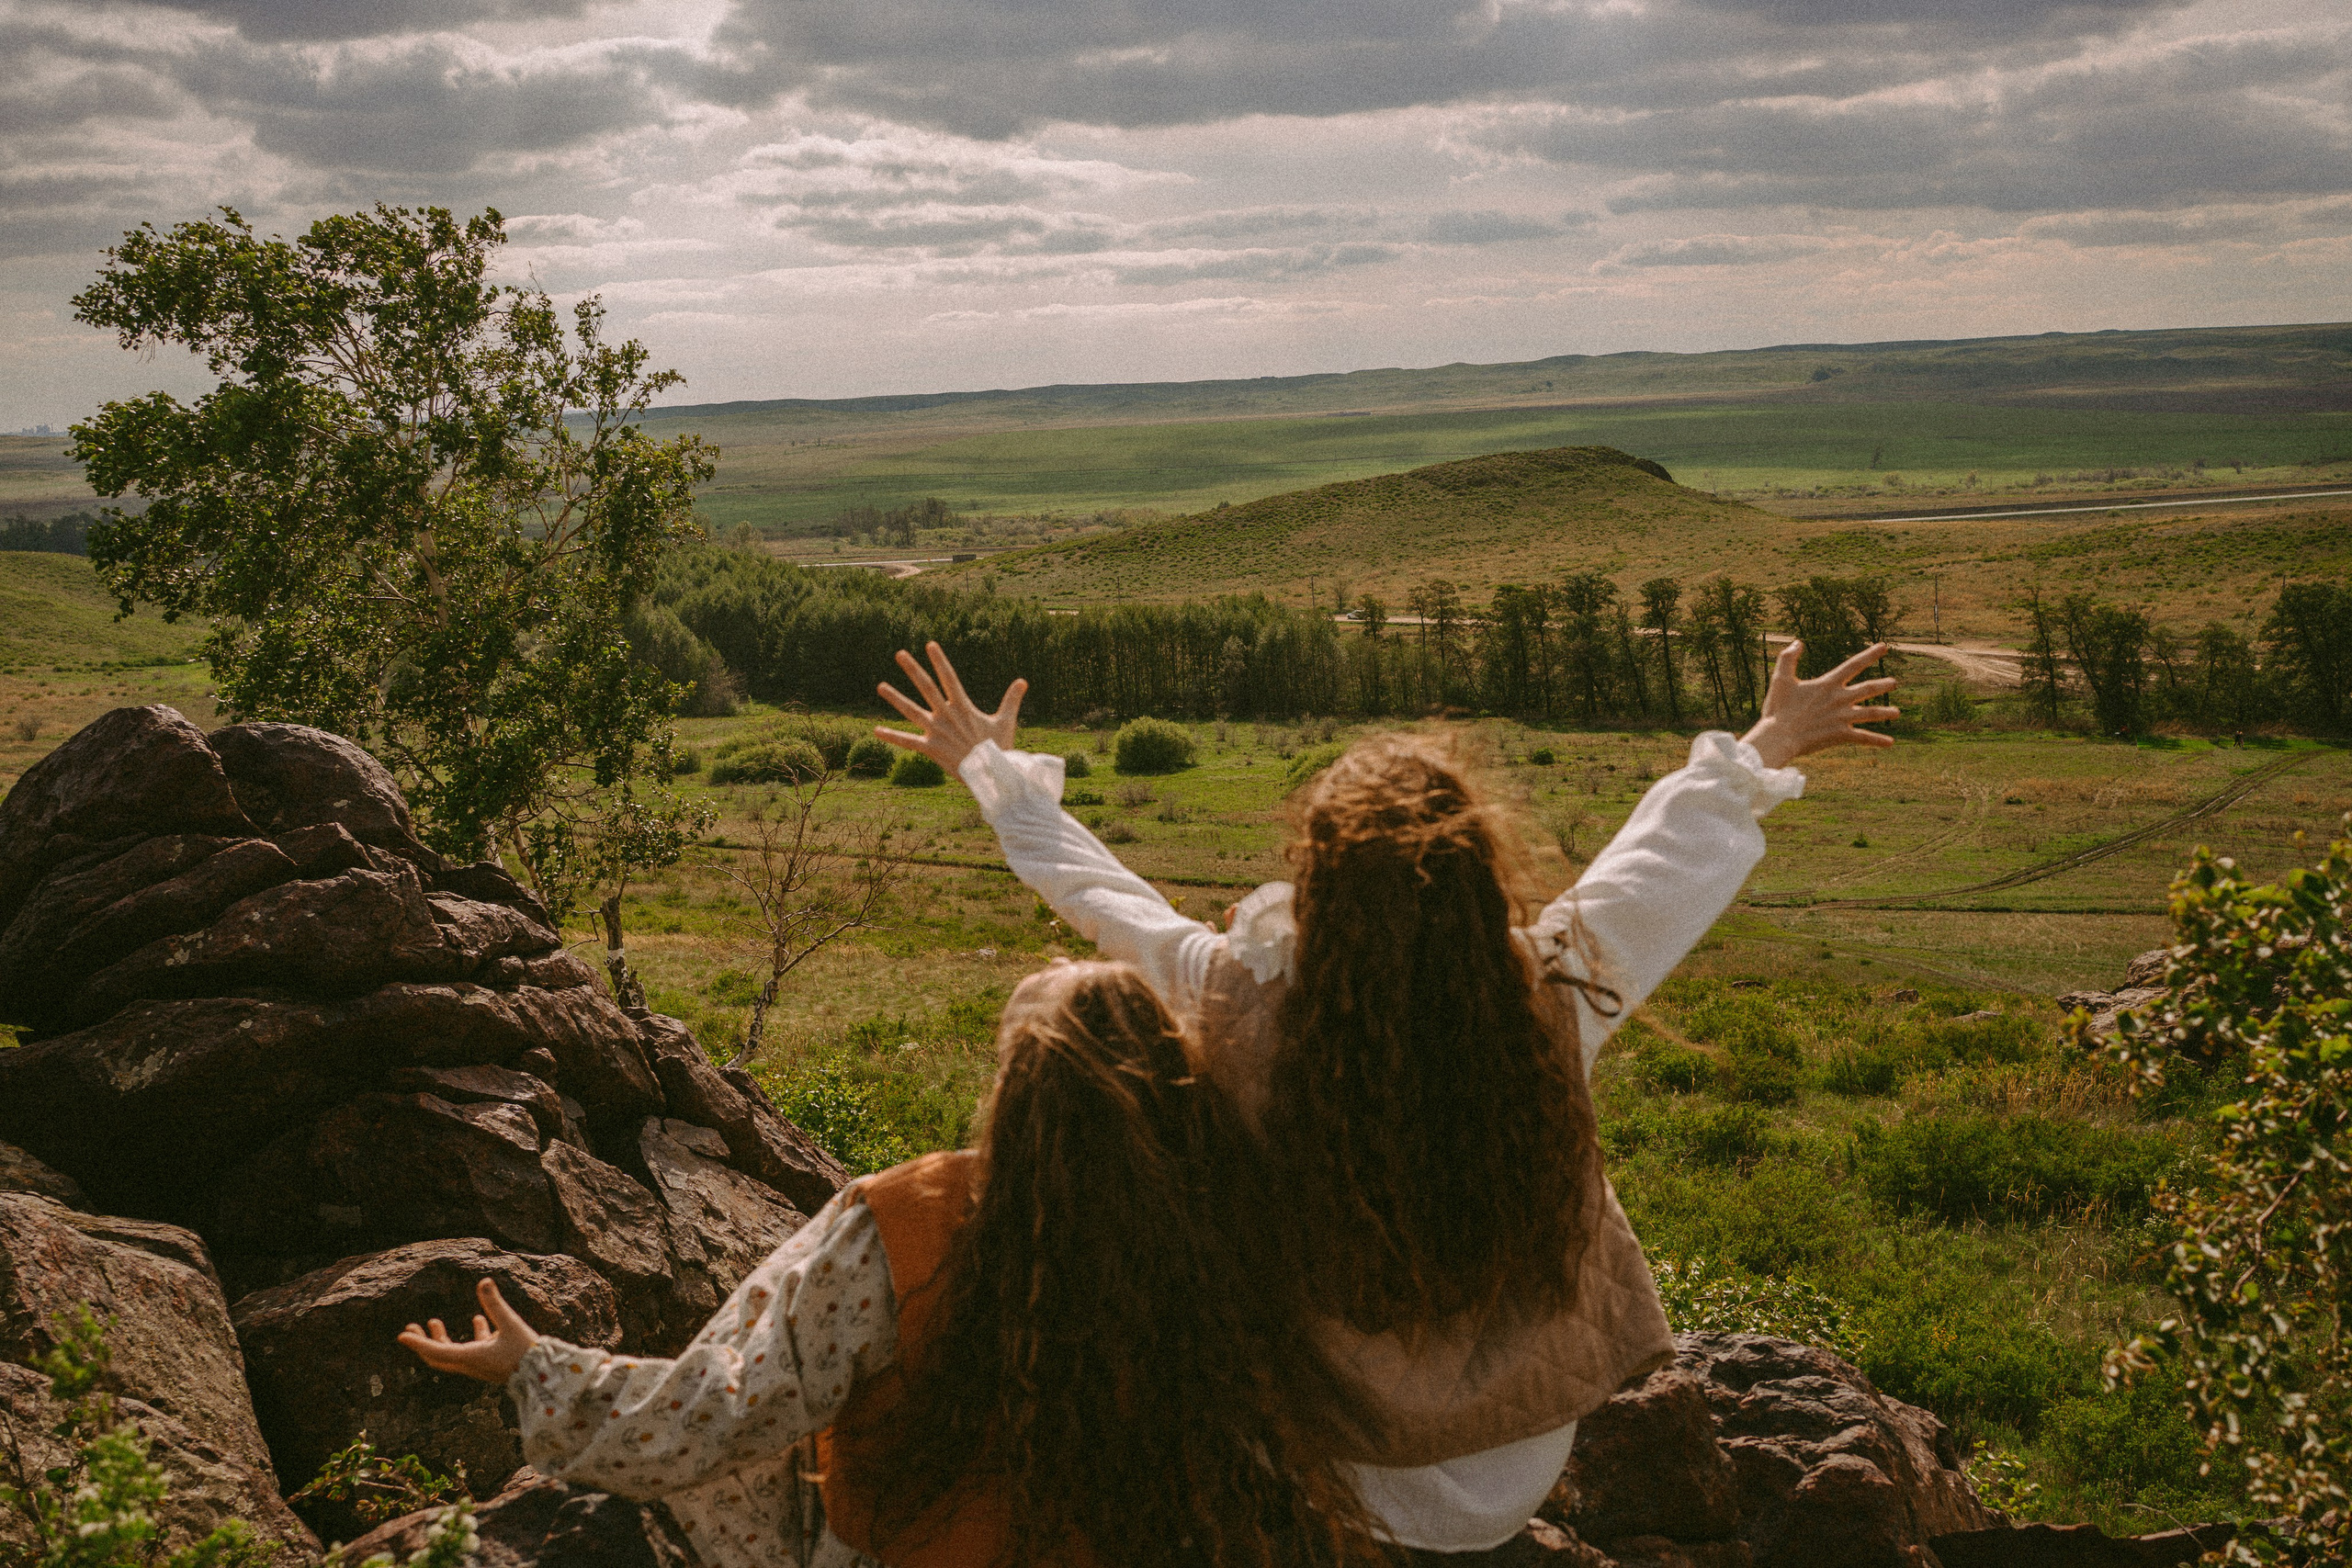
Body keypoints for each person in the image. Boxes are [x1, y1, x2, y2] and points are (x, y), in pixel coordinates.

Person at [873, 638, 1897, 1556]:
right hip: (1521, 1448)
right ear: (1476, 876)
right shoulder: (1554, 990)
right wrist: (1768, 738)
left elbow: (1105, 901)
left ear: (1312, 881)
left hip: (1329, 1450)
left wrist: (989, 769)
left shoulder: (1236, 1002)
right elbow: (1665, 856)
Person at [397, 961, 1382, 1568]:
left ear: (1014, 1092)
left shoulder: (904, 1222)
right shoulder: (1230, 1228)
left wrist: (536, 1367)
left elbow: (714, 1413)